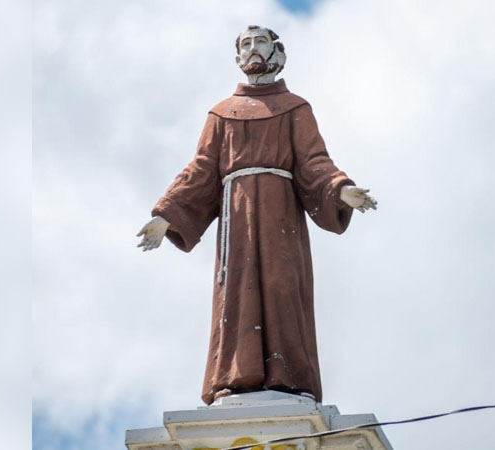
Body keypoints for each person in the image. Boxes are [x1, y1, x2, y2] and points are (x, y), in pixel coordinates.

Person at [136, 25, 377, 405]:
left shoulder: (296, 108)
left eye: (259, 42)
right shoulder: (221, 114)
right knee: (237, 292)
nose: (252, 49)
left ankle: (289, 378)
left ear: (276, 53)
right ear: (237, 58)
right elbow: (201, 169)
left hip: (281, 216)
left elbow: (314, 161)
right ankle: (236, 377)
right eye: (245, 44)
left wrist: (340, 189)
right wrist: (166, 215)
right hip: (238, 218)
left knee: (283, 288)